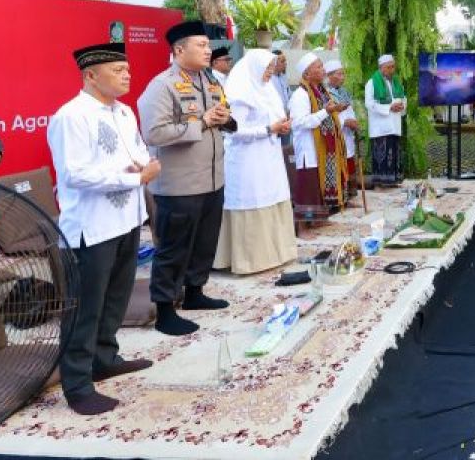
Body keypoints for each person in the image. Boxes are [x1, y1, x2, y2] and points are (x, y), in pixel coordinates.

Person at [49, 43, 158, 415]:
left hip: (126, 219)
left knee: (115, 297)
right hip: (91, 228)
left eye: (127, 69)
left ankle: (105, 358)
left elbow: (139, 152)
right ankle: (77, 385)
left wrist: (141, 167)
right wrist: (133, 178)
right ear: (91, 75)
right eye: (118, 69)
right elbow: (75, 174)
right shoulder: (71, 116)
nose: (127, 75)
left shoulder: (125, 112)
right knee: (85, 307)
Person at [138, 21, 233, 337]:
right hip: (179, 184)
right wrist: (202, 123)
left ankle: (194, 293)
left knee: (205, 242)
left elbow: (223, 119)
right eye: (201, 45)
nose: (209, 51)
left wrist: (225, 119)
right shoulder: (162, 86)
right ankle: (165, 310)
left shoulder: (209, 80)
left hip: (212, 178)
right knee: (173, 248)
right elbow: (154, 133)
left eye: (208, 46)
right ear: (179, 50)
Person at [215, 49, 296, 274]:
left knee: (273, 197)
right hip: (246, 160)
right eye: (268, 68)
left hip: (268, 155)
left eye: (272, 68)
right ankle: (249, 260)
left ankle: (276, 254)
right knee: (253, 200)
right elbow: (233, 132)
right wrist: (269, 129)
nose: (271, 73)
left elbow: (272, 120)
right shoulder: (240, 92)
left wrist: (280, 127)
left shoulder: (267, 90)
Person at [290, 53, 350, 214]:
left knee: (318, 187)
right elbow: (300, 122)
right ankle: (303, 226)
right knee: (307, 190)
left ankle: (317, 220)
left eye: (322, 66)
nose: (323, 70)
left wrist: (334, 110)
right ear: (307, 73)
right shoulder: (301, 95)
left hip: (323, 147)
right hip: (308, 149)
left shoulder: (322, 91)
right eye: (319, 66)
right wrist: (326, 111)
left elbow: (326, 112)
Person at [365, 54, 407, 187]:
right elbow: (369, 104)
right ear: (381, 68)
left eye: (393, 67)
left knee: (394, 153)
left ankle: (393, 181)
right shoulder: (372, 82)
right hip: (380, 127)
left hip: (394, 124)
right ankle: (380, 183)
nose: (392, 70)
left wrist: (402, 106)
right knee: (381, 156)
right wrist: (389, 107)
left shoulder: (396, 82)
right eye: (389, 67)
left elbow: (403, 98)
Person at [324, 59, 362, 193]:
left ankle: (351, 193)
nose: (342, 77)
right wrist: (344, 122)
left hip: (347, 134)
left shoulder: (344, 92)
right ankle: (341, 195)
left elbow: (349, 110)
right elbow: (326, 115)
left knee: (350, 161)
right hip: (335, 135)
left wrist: (353, 121)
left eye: (343, 74)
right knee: (339, 165)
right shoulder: (325, 93)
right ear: (329, 76)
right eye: (339, 74)